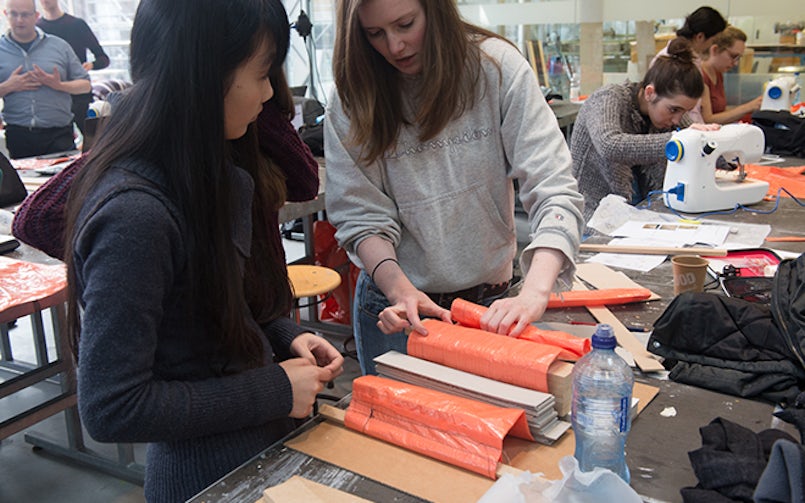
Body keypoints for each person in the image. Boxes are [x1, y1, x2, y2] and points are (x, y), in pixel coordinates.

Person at [61, 0, 344, 501]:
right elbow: (112, 407)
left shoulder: (208, 174)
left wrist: (285, 337)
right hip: (205, 480)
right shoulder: (135, 215)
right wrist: (275, 389)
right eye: (262, 74)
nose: (268, 95)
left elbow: (214, 316)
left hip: (259, 452)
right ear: (203, 74)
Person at [325, 0, 584, 375]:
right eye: (375, 34)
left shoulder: (496, 68)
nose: (395, 46)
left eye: (405, 24)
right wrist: (399, 289)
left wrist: (534, 292)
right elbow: (360, 216)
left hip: (490, 305)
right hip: (399, 308)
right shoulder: (353, 96)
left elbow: (553, 187)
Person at [572, 38, 719, 223]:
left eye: (684, 112)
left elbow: (694, 140)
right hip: (593, 214)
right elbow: (610, 145)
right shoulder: (608, 98)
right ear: (650, 93)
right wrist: (679, 142)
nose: (677, 119)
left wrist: (718, 146)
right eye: (674, 110)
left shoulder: (667, 111)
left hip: (641, 210)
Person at [0, 0, 90, 159]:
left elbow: (85, 85)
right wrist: (8, 86)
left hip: (59, 133)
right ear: (5, 14)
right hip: (18, 135)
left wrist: (59, 85)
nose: (19, 20)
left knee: (65, 175)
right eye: (14, 14)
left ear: (36, 16)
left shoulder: (59, 46)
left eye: (25, 15)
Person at [37, 0, 109, 134]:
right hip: (52, 99)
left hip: (79, 95)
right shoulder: (37, 29)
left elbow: (103, 58)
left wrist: (91, 65)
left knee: (93, 138)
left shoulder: (77, 25)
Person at [651, 6, 727, 123]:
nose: (712, 46)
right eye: (713, 41)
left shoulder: (694, 58)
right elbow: (676, 107)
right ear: (700, 37)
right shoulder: (671, 60)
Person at [700, 26, 763, 124]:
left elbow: (721, 112)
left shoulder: (718, 74)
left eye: (738, 58)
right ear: (715, 50)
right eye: (733, 56)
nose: (736, 63)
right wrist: (749, 107)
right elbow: (708, 120)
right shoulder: (700, 77)